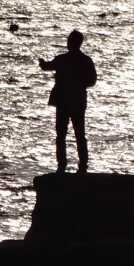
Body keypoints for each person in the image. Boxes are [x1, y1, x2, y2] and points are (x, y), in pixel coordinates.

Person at [38, 30, 97, 174]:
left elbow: (46, 67)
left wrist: (42, 63)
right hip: (78, 102)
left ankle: (62, 166)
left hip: (63, 102)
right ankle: (82, 166)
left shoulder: (61, 59)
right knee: (79, 135)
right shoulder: (86, 61)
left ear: (70, 42)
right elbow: (92, 81)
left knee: (61, 135)